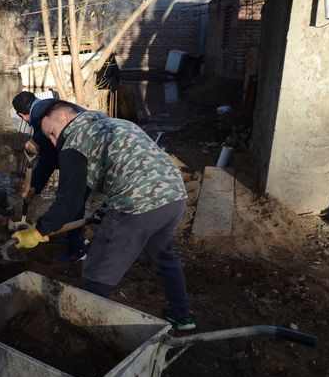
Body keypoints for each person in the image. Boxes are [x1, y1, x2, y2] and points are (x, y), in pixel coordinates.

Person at [11, 101, 196, 330]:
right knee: (164, 257)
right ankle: (182, 316)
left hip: (135, 205)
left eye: (52, 133)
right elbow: (125, 168)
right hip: (174, 195)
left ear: (65, 117)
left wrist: (39, 231)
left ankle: (91, 332)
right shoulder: (114, 124)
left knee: (96, 274)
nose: (53, 142)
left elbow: (69, 200)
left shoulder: (74, 143)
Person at [11, 91, 89, 262]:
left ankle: (77, 251)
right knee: (72, 198)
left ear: (20, 115)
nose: (52, 138)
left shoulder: (39, 115)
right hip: (90, 149)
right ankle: (68, 235)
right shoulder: (50, 104)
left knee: (72, 199)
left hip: (86, 155)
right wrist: (35, 186)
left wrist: (38, 139)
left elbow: (48, 157)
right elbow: (51, 157)